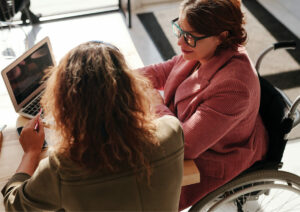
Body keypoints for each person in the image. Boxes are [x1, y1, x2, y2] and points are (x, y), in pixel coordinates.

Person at [1, 41, 184, 211]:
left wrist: (31, 152)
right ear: (131, 88)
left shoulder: (63, 167)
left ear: (65, 104)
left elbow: (14, 204)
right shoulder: (172, 130)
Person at [138, 0, 269, 210]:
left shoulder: (234, 86)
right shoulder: (202, 50)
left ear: (222, 36)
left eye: (189, 37)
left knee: (133, 183)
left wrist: (155, 103)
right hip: (186, 134)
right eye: (179, 30)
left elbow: (185, 146)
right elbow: (164, 71)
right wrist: (117, 76)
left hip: (210, 161)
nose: (180, 42)